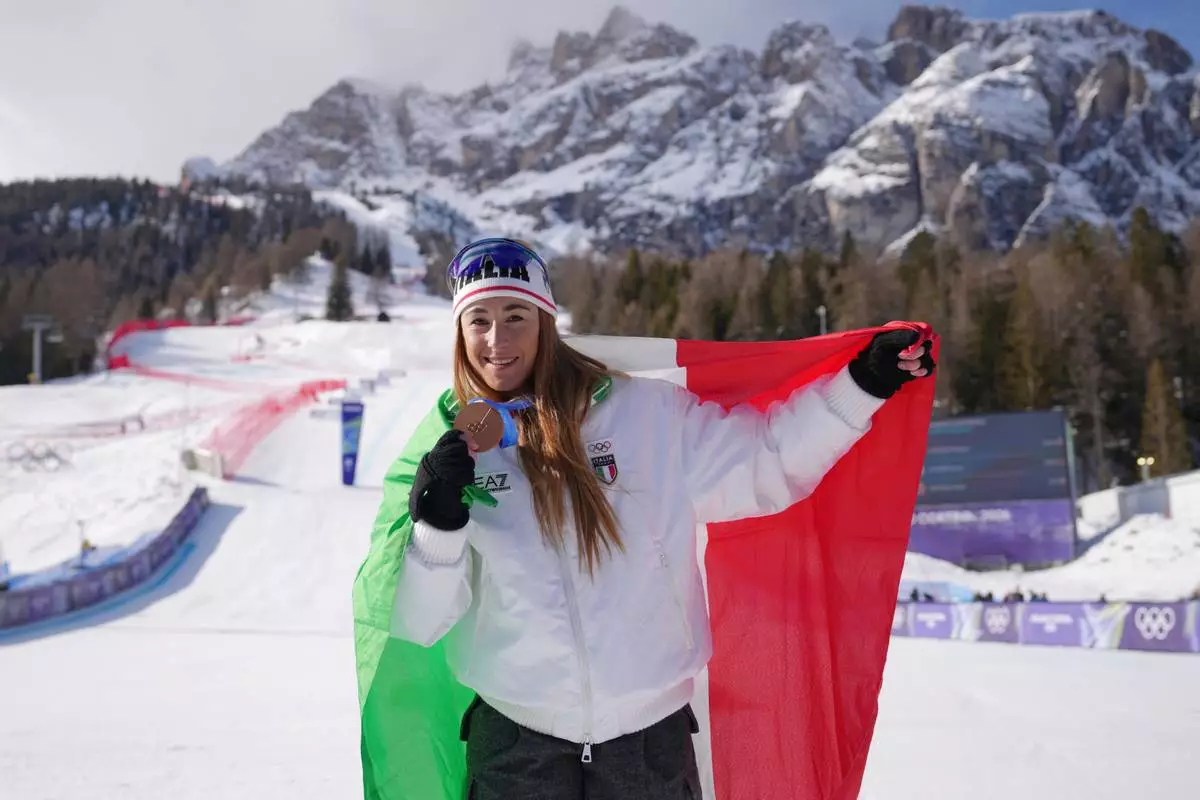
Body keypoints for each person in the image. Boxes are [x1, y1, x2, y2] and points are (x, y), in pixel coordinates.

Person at [384, 237, 935, 800]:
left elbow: (767, 459)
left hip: (647, 748)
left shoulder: (643, 414)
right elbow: (420, 622)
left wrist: (863, 385)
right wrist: (438, 530)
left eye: (516, 315)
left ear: (547, 320)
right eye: (478, 320)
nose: (497, 340)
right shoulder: (448, 450)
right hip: (515, 748)